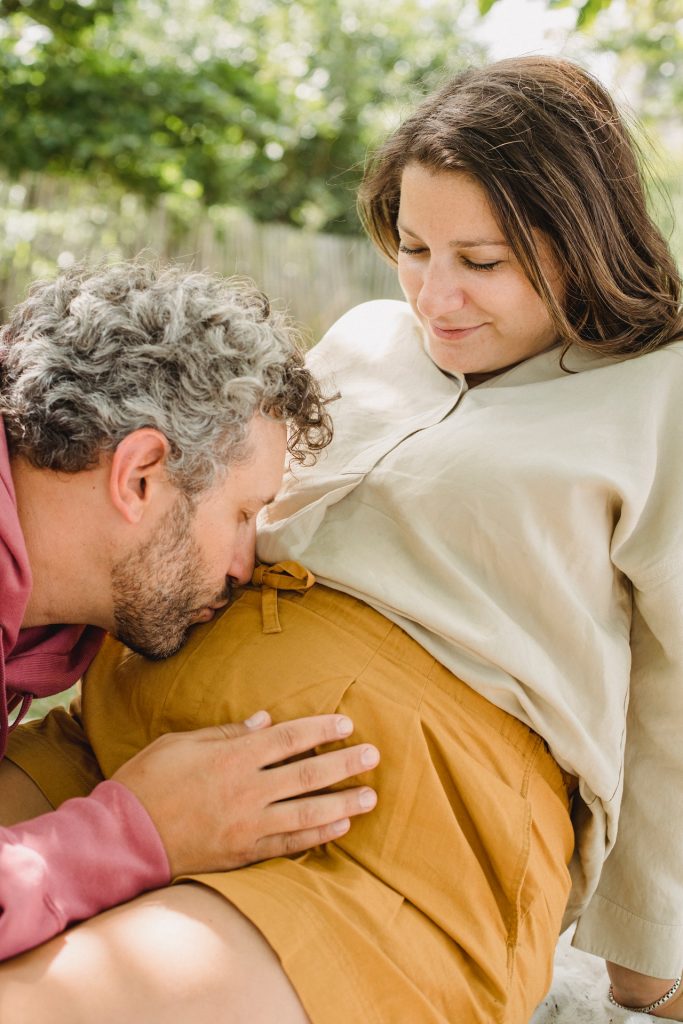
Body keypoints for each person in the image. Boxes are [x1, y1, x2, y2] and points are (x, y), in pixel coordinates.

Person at [2, 54, 683, 1022]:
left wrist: (647, 951)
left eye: (480, 262)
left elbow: (674, 684)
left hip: (365, 828)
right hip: (124, 736)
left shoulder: (661, 393)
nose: (433, 297)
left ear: (577, 241)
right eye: (412, 249)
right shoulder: (367, 336)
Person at [0, 259, 380, 962]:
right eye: (242, 513)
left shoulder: (48, 627)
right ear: (139, 476)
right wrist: (134, 834)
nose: (248, 563)